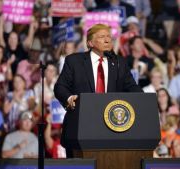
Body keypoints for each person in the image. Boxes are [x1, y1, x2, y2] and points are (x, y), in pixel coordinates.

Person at [54, 24, 142, 157]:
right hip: (80, 127)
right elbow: (60, 87)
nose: (107, 40)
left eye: (109, 37)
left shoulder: (119, 63)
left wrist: (145, 100)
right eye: (102, 37)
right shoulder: (74, 61)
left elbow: (132, 87)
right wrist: (69, 98)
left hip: (112, 129)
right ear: (90, 42)